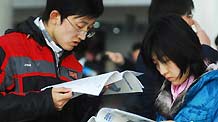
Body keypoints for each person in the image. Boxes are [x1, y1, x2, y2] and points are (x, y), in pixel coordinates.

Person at [0, 0, 104, 122]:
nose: (82, 36)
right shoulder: (7, 47)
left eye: (89, 29)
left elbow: (74, 116)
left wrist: (93, 95)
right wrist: (47, 100)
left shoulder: (73, 64)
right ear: (55, 17)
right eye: (80, 26)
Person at [132, 0, 218, 119]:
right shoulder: (164, 97)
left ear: (185, 49)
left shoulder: (213, 90)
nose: (162, 71)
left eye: (166, 61)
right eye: (156, 64)